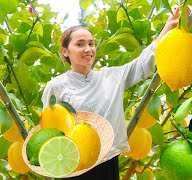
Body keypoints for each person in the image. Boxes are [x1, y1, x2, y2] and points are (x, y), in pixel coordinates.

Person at [41, 7, 182, 180]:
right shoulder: (56, 86)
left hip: (108, 161)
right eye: (80, 44)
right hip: (73, 164)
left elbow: (143, 64)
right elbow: (49, 130)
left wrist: (168, 27)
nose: (88, 49)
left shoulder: (112, 77)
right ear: (65, 51)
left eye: (91, 44)